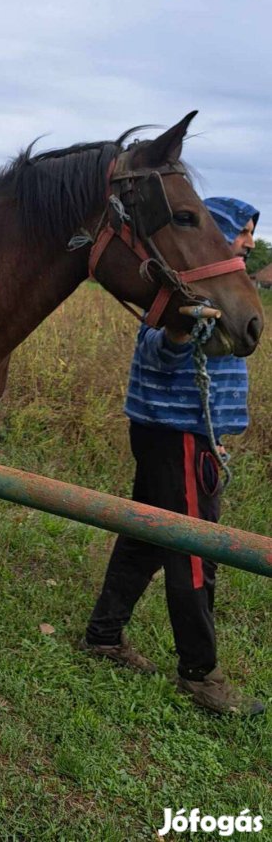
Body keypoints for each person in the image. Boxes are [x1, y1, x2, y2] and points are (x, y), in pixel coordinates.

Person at [81, 197, 263, 716]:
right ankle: (200, 672)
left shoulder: (214, 293)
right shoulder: (183, 298)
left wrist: (217, 434)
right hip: (179, 440)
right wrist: (182, 330)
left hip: (187, 438)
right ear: (216, 234)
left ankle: (104, 634)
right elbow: (157, 350)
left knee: (145, 538)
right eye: (243, 232)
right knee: (194, 551)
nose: (249, 242)